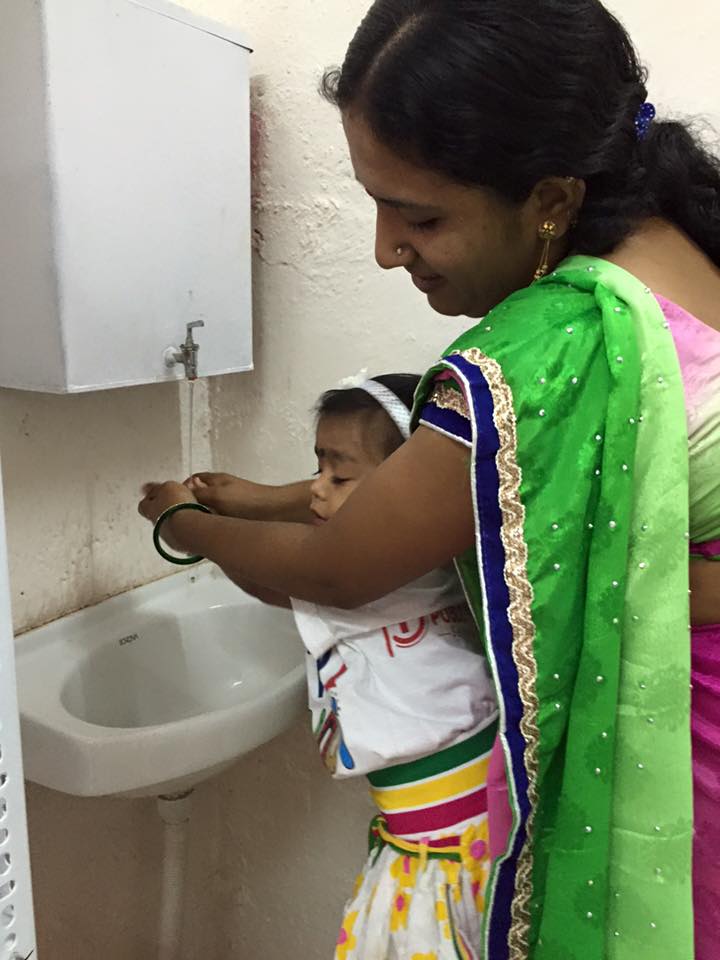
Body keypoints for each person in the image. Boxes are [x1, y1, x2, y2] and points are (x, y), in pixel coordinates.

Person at [139, 2, 720, 958]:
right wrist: (261, 494)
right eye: (374, 202)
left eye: (421, 216)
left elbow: (340, 567)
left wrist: (187, 522)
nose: (384, 248)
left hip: (678, 766)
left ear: (552, 199)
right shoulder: (677, 244)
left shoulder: (555, 346)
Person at [227, 372, 498, 958]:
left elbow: (273, 577)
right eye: (317, 470)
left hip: (440, 851)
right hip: (444, 833)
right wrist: (246, 499)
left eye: (339, 476)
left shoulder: (380, 575)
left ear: (408, 486)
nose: (318, 492)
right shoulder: (437, 556)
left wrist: (188, 522)